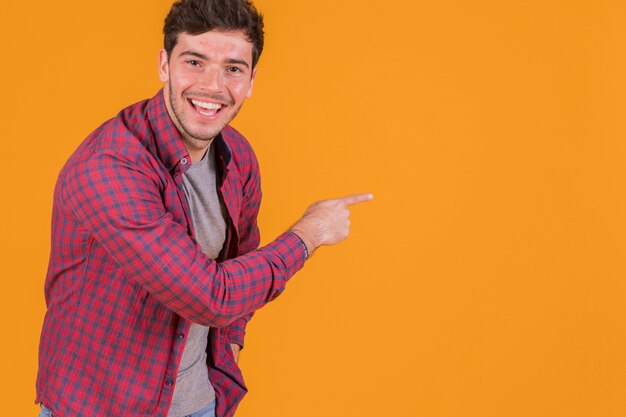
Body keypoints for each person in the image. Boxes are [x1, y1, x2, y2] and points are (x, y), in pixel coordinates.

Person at [35, 0, 371, 416]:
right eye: (195, 61)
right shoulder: (110, 167)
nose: (213, 86)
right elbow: (210, 296)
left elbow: (242, 264)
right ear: (164, 65)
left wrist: (228, 346)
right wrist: (310, 233)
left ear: (251, 80)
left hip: (199, 404)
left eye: (233, 68)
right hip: (99, 407)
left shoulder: (238, 158)